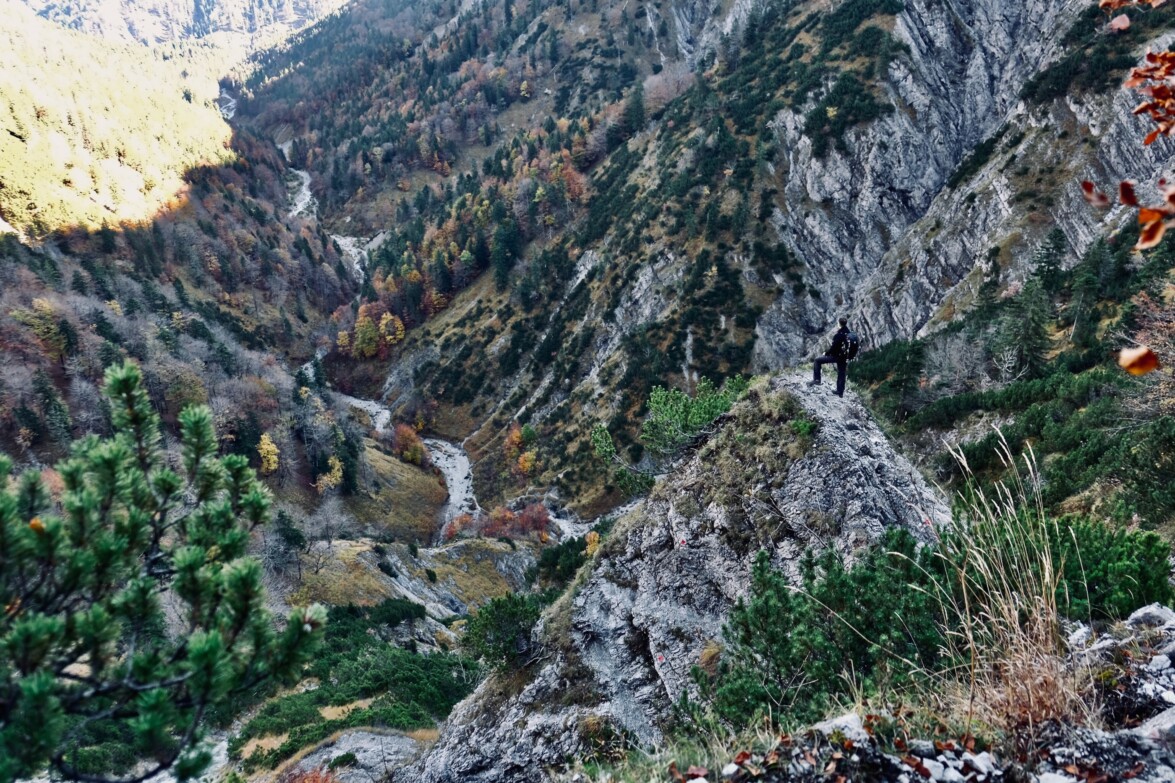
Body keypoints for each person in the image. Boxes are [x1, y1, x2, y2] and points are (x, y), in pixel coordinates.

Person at [810, 318, 851, 397]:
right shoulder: (849, 333)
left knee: (817, 360)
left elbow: (834, 347)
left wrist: (827, 353)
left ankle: (817, 380)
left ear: (839, 324)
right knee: (841, 373)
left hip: (837, 356)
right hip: (845, 357)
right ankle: (840, 392)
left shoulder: (839, 335)